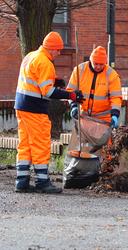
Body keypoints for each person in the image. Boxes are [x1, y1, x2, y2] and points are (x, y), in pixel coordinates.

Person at [14, 31, 85, 193]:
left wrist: (55, 81)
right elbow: (47, 92)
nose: (59, 53)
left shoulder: (31, 56)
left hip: (21, 107)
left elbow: (36, 79)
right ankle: (42, 181)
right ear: (52, 49)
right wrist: (71, 95)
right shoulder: (45, 62)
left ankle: (22, 180)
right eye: (58, 50)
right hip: (34, 109)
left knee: (25, 143)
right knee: (41, 143)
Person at [67, 46, 122, 146]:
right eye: (96, 63)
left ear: (105, 63)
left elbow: (116, 98)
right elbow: (71, 91)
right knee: (80, 149)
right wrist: (74, 107)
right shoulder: (79, 70)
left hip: (103, 120)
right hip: (84, 118)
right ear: (90, 60)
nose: (98, 67)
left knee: (105, 151)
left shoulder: (112, 75)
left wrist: (115, 115)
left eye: (101, 64)